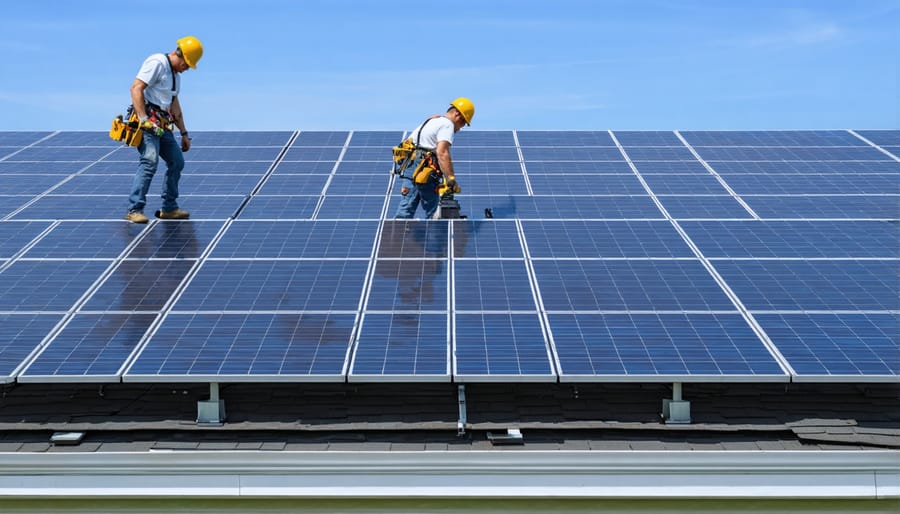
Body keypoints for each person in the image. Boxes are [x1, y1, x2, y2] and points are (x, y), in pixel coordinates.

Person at [124, 36, 203, 224]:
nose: (186, 69)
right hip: (147, 122)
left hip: (162, 124)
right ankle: (135, 209)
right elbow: (136, 88)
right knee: (149, 161)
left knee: (177, 162)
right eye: (186, 64)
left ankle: (169, 208)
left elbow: (174, 105)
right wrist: (143, 120)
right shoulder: (157, 63)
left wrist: (184, 133)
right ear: (179, 55)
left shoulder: (175, 77)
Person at [394, 97, 475, 219]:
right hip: (425, 169)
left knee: (405, 209)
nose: (460, 127)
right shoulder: (447, 125)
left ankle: (397, 231)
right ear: (458, 115)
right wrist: (451, 179)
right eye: (463, 123)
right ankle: (436, 231)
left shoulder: (432, 121)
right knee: (435, 212)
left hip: (410, 167)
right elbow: (442, 152)